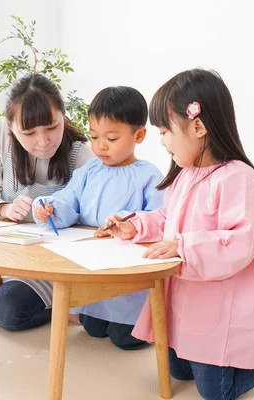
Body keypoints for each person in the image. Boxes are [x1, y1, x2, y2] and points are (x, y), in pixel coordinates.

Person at [104, 69, 254, 399]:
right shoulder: (187, 174)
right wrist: (136, 226)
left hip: (216, 305)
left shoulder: (238, 178)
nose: (162, 140)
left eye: (166, 130)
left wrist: (181, 245)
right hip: (183, 297)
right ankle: (203, 356)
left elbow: (239, 242)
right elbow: (169, 219)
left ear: (198, 126)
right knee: (178, 369)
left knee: (216, 394)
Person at [0, 73, 94, 331]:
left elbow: (92, 223)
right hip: (6, 254)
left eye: (52, 127)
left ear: (63, 115)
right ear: (11, 127)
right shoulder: (0, 137)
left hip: (50, 263)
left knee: (6, 311)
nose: (44, 141)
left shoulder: (80, 154)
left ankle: (60, 303)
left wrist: (61, 213)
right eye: (29, 133)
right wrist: (4, 208)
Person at [32, 86, 163, 350]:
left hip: (126, 271)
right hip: (91, 264)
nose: (100, 146)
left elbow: (161, 218)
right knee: (92, 329)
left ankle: (144, 320)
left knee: (125, 338)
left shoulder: (148, 176)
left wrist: (129, 223)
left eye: (111, 139)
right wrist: (50, 207)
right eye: (94, 136)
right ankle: (99, 313)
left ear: (139, 135)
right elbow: (69, 199)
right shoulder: (89, 170)